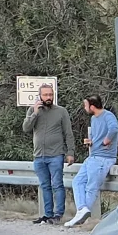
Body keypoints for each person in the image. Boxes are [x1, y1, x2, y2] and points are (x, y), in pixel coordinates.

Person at [22, 84, 75, 224]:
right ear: (40, 96)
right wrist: (35, 113)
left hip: (56, 154)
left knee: (57, 184)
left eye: (50, 94)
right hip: (39, 156)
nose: (48, 97)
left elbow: (68, 133)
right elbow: (26, 128)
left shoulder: (61, 111)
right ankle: (47, 214)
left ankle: (58, 215)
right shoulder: (33, 110)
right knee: (45, 186)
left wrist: (70, 152)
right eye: (45, 95)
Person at [66, 95, 118, 227]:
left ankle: (81, 215)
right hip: (93, 157)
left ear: (92, 106)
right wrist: (91, 142)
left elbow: (114, 128)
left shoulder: (108, 116)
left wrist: (107, 140)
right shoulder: (94, 119)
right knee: (77, 181)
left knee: (91, 187)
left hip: (103, 158)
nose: (85, 108)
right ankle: (82, 210)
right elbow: (98, 136)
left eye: (86, 105)